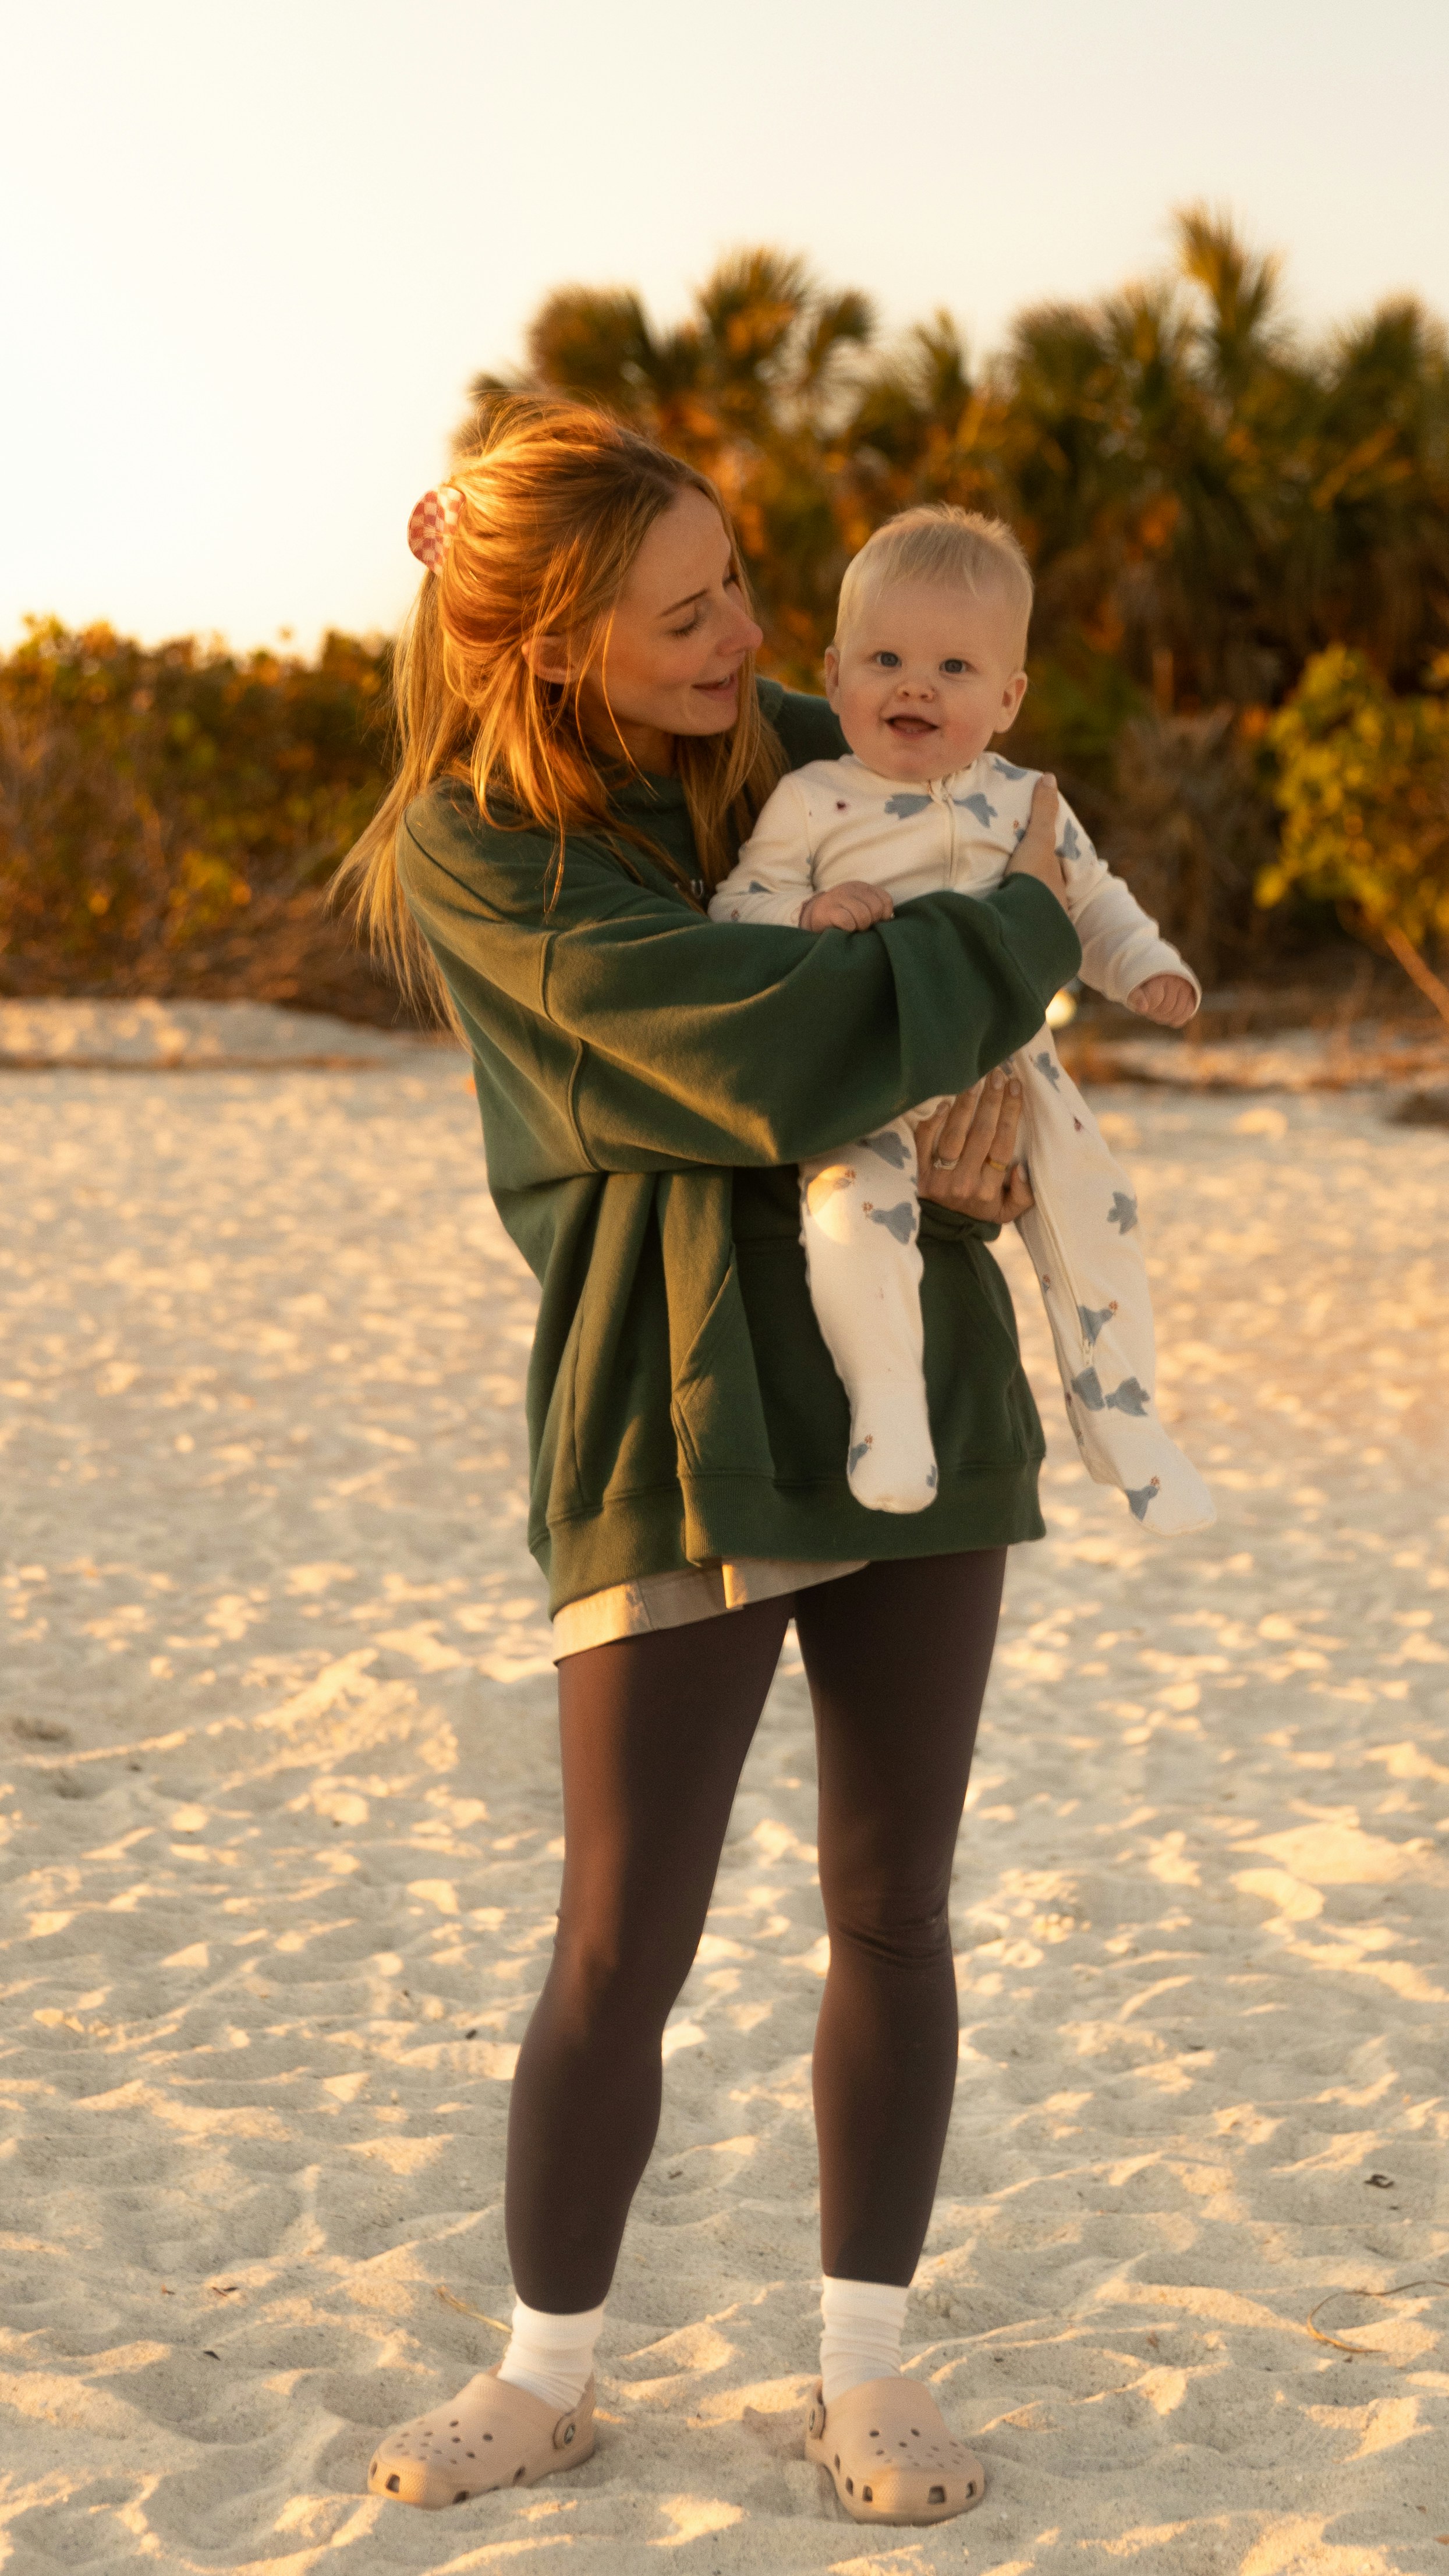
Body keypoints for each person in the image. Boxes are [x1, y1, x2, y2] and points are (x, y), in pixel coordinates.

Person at [341, 395, 1080, 2531]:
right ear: (552, 643)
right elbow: (759, 1053)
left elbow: (987, 790)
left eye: (742, 585)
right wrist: (999, 960)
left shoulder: (781, 732)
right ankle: (542, 2372)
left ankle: (866, 2369)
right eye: (686, 611)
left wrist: (1003, 1085)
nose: (743, 634)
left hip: (914, 1371)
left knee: (894, 1903)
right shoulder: (488, 860)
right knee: (618, 1936)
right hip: (669, 1413)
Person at [710, 505, 1213, 1536]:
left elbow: (1090, 900)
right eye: (885, 657)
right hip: (867, 1076)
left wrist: (1146, 966)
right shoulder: (812, 800)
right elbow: (733, 910)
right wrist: (805, 912)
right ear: (835, 671)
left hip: (1015, 1074)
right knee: (849, 1223)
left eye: (953, 668)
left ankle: (1125, 1421)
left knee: (1095, 1212)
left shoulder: (1027, 801)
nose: (915, 685)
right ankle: (887, 1413)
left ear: (1008, 697)